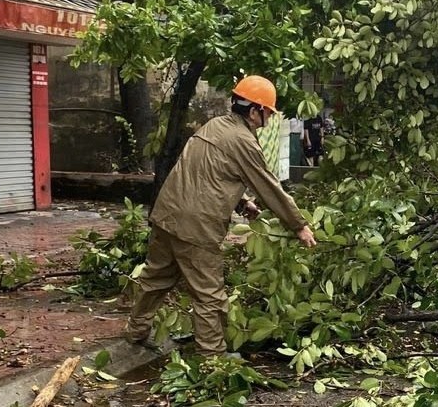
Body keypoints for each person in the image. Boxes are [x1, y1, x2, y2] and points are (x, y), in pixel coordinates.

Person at [126, 75, 317, 357]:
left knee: (154, 279)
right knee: (209, 296)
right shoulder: (243, 140)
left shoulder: (214, 125)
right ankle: (213, 359)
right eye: (267, 112)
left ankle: (135, 332)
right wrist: (299, 225)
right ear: (255, 111)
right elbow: (269, 186)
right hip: (197, 227)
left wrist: (242, 203)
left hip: (167, 215)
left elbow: (207, 174)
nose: (268, 119)